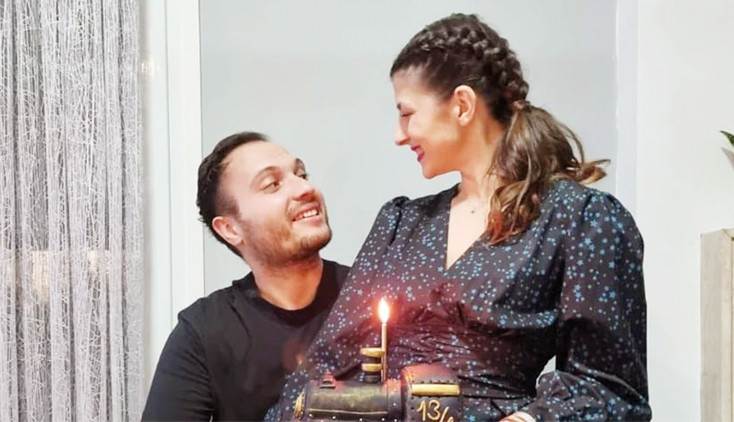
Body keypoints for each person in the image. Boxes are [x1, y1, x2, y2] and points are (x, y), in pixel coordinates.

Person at [266, 14, 651, 422]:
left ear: (462, 106)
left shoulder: (582, 219)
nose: (399, 135)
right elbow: (328, 362)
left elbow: (609, 390)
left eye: (407, 114)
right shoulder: (400, 224)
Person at [142, 132, 349, 421]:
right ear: (230, 229)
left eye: (301, 174)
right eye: (272, 184)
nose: (305, 188)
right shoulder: (205, 333)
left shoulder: (370, 298)